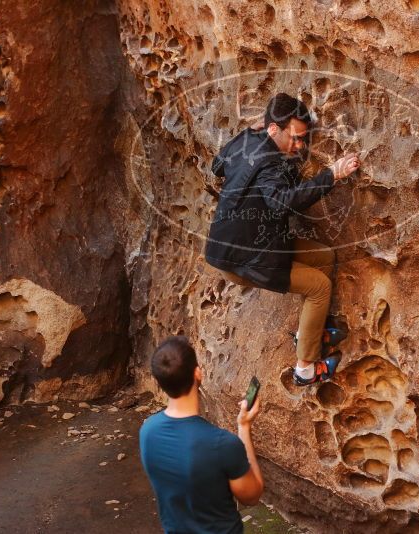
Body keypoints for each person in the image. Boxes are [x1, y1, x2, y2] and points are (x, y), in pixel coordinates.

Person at [205, 92, 360, 385]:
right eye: (296, 138)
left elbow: (217, 165)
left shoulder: (249, 139)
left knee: (325, 256)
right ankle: (305, 370)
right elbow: (281, 201)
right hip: (244, 258)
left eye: (303, 138)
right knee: (319, 287)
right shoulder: (271, 162)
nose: (300, 145)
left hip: (252, 241)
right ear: (274, 129)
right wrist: (331, 175)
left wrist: (257, 135)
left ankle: (309, 334)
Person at [140, 336, 263, 534]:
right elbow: (252, 496)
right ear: (198, 373)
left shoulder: (147, 431)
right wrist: (244, 427)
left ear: (159, 381)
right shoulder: (222, 444)